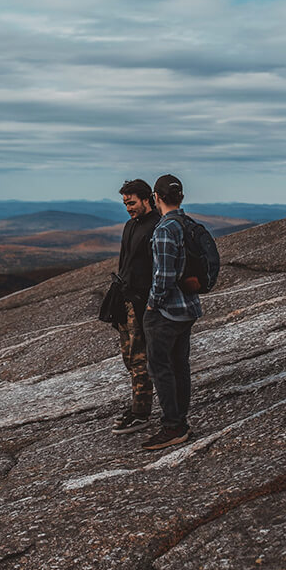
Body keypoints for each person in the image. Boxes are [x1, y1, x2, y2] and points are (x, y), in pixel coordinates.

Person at [142, 174, 202, 450]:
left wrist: (152, 303)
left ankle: (173, 426)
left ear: (156, 197)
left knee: (160, 368)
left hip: (167, 312)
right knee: (180, 366)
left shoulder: (165, 229)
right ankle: (180, 421)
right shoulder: (187, 224)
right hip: (188, 307)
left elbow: (164, 275)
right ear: (181, 197)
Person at [110, 179, 161, 434]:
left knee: (140, 358)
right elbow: (125, 264)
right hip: (126, 301)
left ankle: (141, 413)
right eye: (125, 204)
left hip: (143, 303)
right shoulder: (130, 226)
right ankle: (136, 407)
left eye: (131, 203)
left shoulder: (158, 226)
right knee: (129, 358)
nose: (128, 208)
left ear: (146, 199)